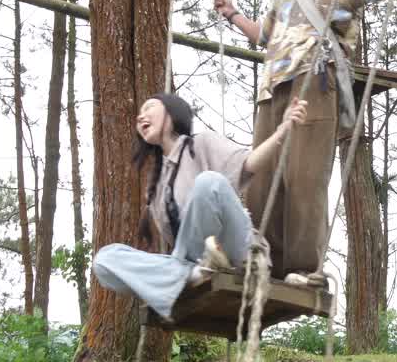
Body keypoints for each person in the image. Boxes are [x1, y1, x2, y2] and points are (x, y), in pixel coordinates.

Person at [213, 0, 397, 285]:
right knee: (260, 178)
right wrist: (232, 14)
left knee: (305, 176)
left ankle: (303, 269)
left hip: (315, 79)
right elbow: (265, 36)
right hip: (272, 86)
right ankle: (262, 265)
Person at [92, 92, 308, 321]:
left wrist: (282, 131)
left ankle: (195, 270)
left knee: (209, 182)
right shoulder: (156, 189)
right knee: (105, 260)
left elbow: (250, 163)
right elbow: (181, 245)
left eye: (149, 108)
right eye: (139, 113)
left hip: (236, 248)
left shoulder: (201, 143)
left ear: (172, 112)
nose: (140, 116)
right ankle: (194, 273)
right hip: (193, 261)